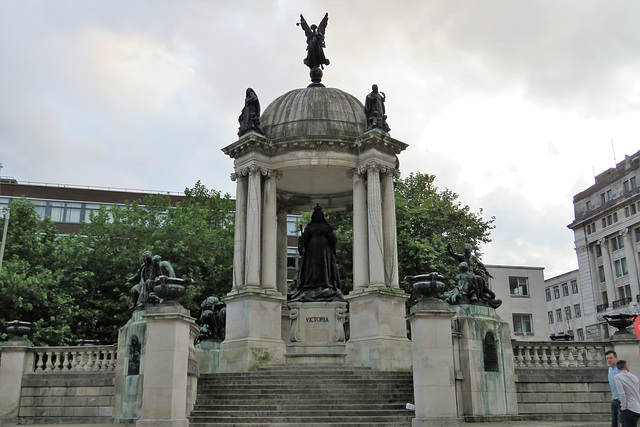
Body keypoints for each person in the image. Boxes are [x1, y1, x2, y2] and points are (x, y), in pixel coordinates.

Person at [289, 205, 344, 302]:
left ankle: (325, 283)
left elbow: (332, 239)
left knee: (324, 267)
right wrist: (301, 241)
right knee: (312, 267)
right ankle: (311, 285)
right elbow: (304, 240)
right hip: (313, 250)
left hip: (324, 251)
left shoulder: (325, 227)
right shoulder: (310, 227)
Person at [614, 360, 640, 427]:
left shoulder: (617, 377)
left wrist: (623, 407)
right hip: (637, 407)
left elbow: (621, 393)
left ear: (617, 368)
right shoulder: (635, 377)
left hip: (629, 407)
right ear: (626, 366)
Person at [608, 350, 623, 427]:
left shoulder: (620, 369)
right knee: (614, 422)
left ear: (616, 358)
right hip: (614, 399)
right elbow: (612, 384)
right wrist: (612, 396)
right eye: (607, 358)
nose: (609, 360)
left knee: (622, 422)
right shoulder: (610, 370)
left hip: (621, 400)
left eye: (611, 358)